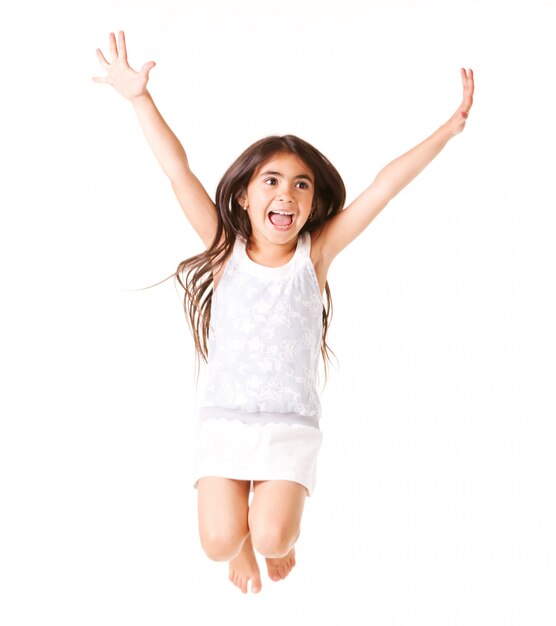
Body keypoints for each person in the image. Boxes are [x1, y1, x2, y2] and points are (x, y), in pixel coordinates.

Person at [93, 30, 474, 594]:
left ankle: (268, 542)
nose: (287, 195)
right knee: (220, 543)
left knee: (275, 538)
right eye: (271, 181)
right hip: (224, 421)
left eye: (301, 185)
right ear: (245, 196)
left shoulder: (313, 257)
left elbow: (383, 187)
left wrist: (448, 128)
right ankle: (241, 546)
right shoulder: (224, 250)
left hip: (288, 427)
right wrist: (139, 99)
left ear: (312, 204)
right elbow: (179, 172)